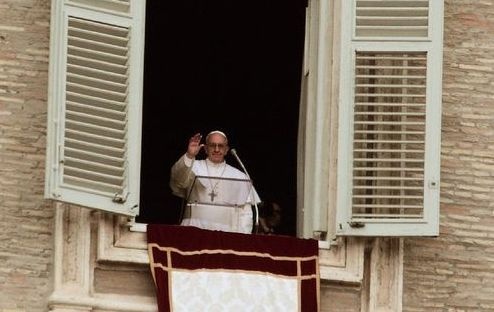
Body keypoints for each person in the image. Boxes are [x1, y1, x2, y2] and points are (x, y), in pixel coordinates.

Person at [170, 130, 261, 234]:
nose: (217, 149)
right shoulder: (193, 166)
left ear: (226, 149)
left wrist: (241, 237)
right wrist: (189, 156)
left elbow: (245, 214)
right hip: (193, 231)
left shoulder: (239, 176)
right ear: (205, 148)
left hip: (226, 234)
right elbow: (178, 181)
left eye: (221, 146)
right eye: (212, 145)